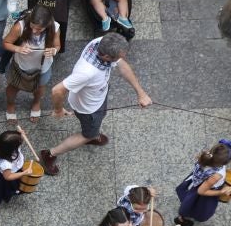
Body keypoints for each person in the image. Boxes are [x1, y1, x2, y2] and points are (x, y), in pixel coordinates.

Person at [42, 33, 151, 171]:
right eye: (118, 57)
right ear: (106, 57)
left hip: (97, 96)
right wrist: (58, 110)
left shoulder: (102, 42)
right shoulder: (87, 72)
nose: (121, 59)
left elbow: (122, 65)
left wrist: (141, 93)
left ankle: (92, 133)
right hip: (89, 109)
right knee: (88, 134)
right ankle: (50, 154)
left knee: (99, 119)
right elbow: (57, 90)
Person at [174, 141, 231, 226]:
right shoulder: (216, 176)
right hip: (203, 189)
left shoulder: (207, 156)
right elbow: (201, 191)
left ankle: (184, 211)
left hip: (196, 181)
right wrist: (221, 192)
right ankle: (182, 218)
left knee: (189, 200)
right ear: (225, 163)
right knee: (196, 205)